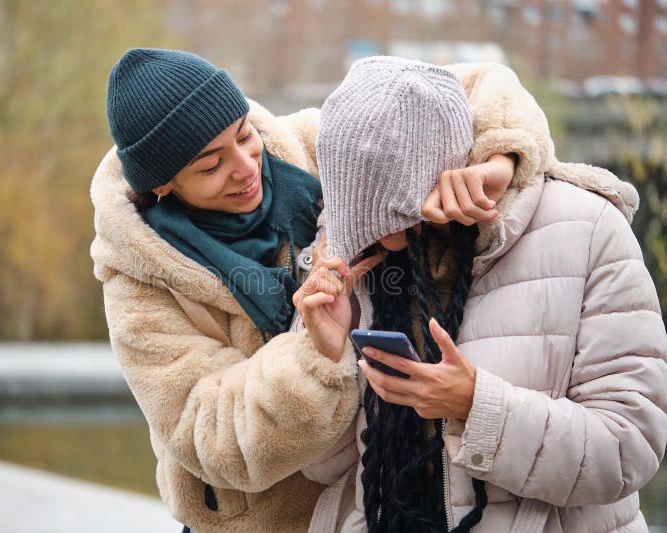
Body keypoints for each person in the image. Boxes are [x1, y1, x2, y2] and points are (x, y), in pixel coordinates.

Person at [90, 48, 559, 532]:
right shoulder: (137, 280)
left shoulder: (322, 143)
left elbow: (477, 84)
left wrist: (497, 158)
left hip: (378, 498)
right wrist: (313, 354)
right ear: (163, 185)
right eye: (211, 166)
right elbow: (213, 441)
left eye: (244, 134)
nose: (247, 166)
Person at [295, 56, 667, 532]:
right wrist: (325, 360)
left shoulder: (587, 229)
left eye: (386, 216)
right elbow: (322, 473)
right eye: (351, 208)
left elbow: (629, 448)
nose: (370, 236)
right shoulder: (350, 253)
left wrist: (476, 405)